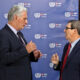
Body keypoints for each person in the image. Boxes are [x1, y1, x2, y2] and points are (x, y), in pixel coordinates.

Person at [0, 5, 42, 80]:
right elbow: (3, 59)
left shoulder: (19, 34)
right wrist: (25, 50)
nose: (27, 22)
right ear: (16, 17)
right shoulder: (3, 34)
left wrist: (33, 56)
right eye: (24, 19)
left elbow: (21, 56)